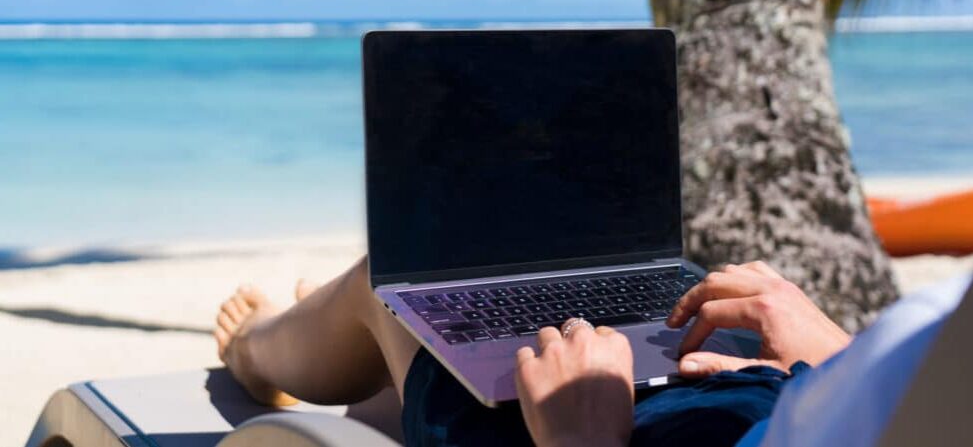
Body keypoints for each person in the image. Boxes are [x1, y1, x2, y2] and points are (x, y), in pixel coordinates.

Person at [214, 259, 853, 447]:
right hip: (760, 393)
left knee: (384, 288)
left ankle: (258, 350)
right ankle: (347, 342)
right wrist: (839, 364)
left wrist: (583, 438)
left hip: (602, 432)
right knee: (436, 321)